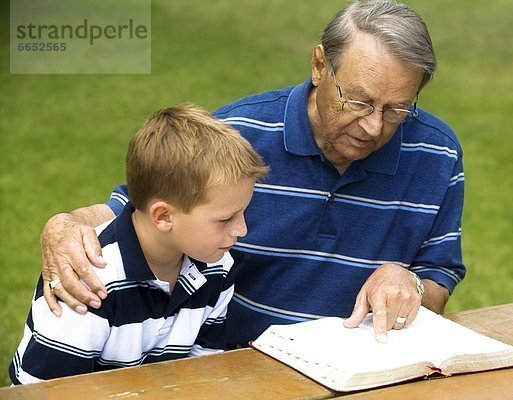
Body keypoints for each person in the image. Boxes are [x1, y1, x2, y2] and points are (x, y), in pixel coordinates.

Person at [40, 0, 466, 346]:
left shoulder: (438, 153)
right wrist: (68, 223)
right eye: (358, 101)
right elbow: (143, 208)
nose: (375, 125)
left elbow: (439, 273)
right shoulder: (238, 134)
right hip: (229, 363)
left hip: (362, 371)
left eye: (397, 109)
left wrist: (409, 280)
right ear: (319, 66)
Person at [9, 104, 269, 384]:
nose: (241, 229)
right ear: (163, 216)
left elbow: (203, 376)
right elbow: (43, 392)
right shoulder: (88, 280)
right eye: (226, 218)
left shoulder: (216, 268)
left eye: (243, 213)